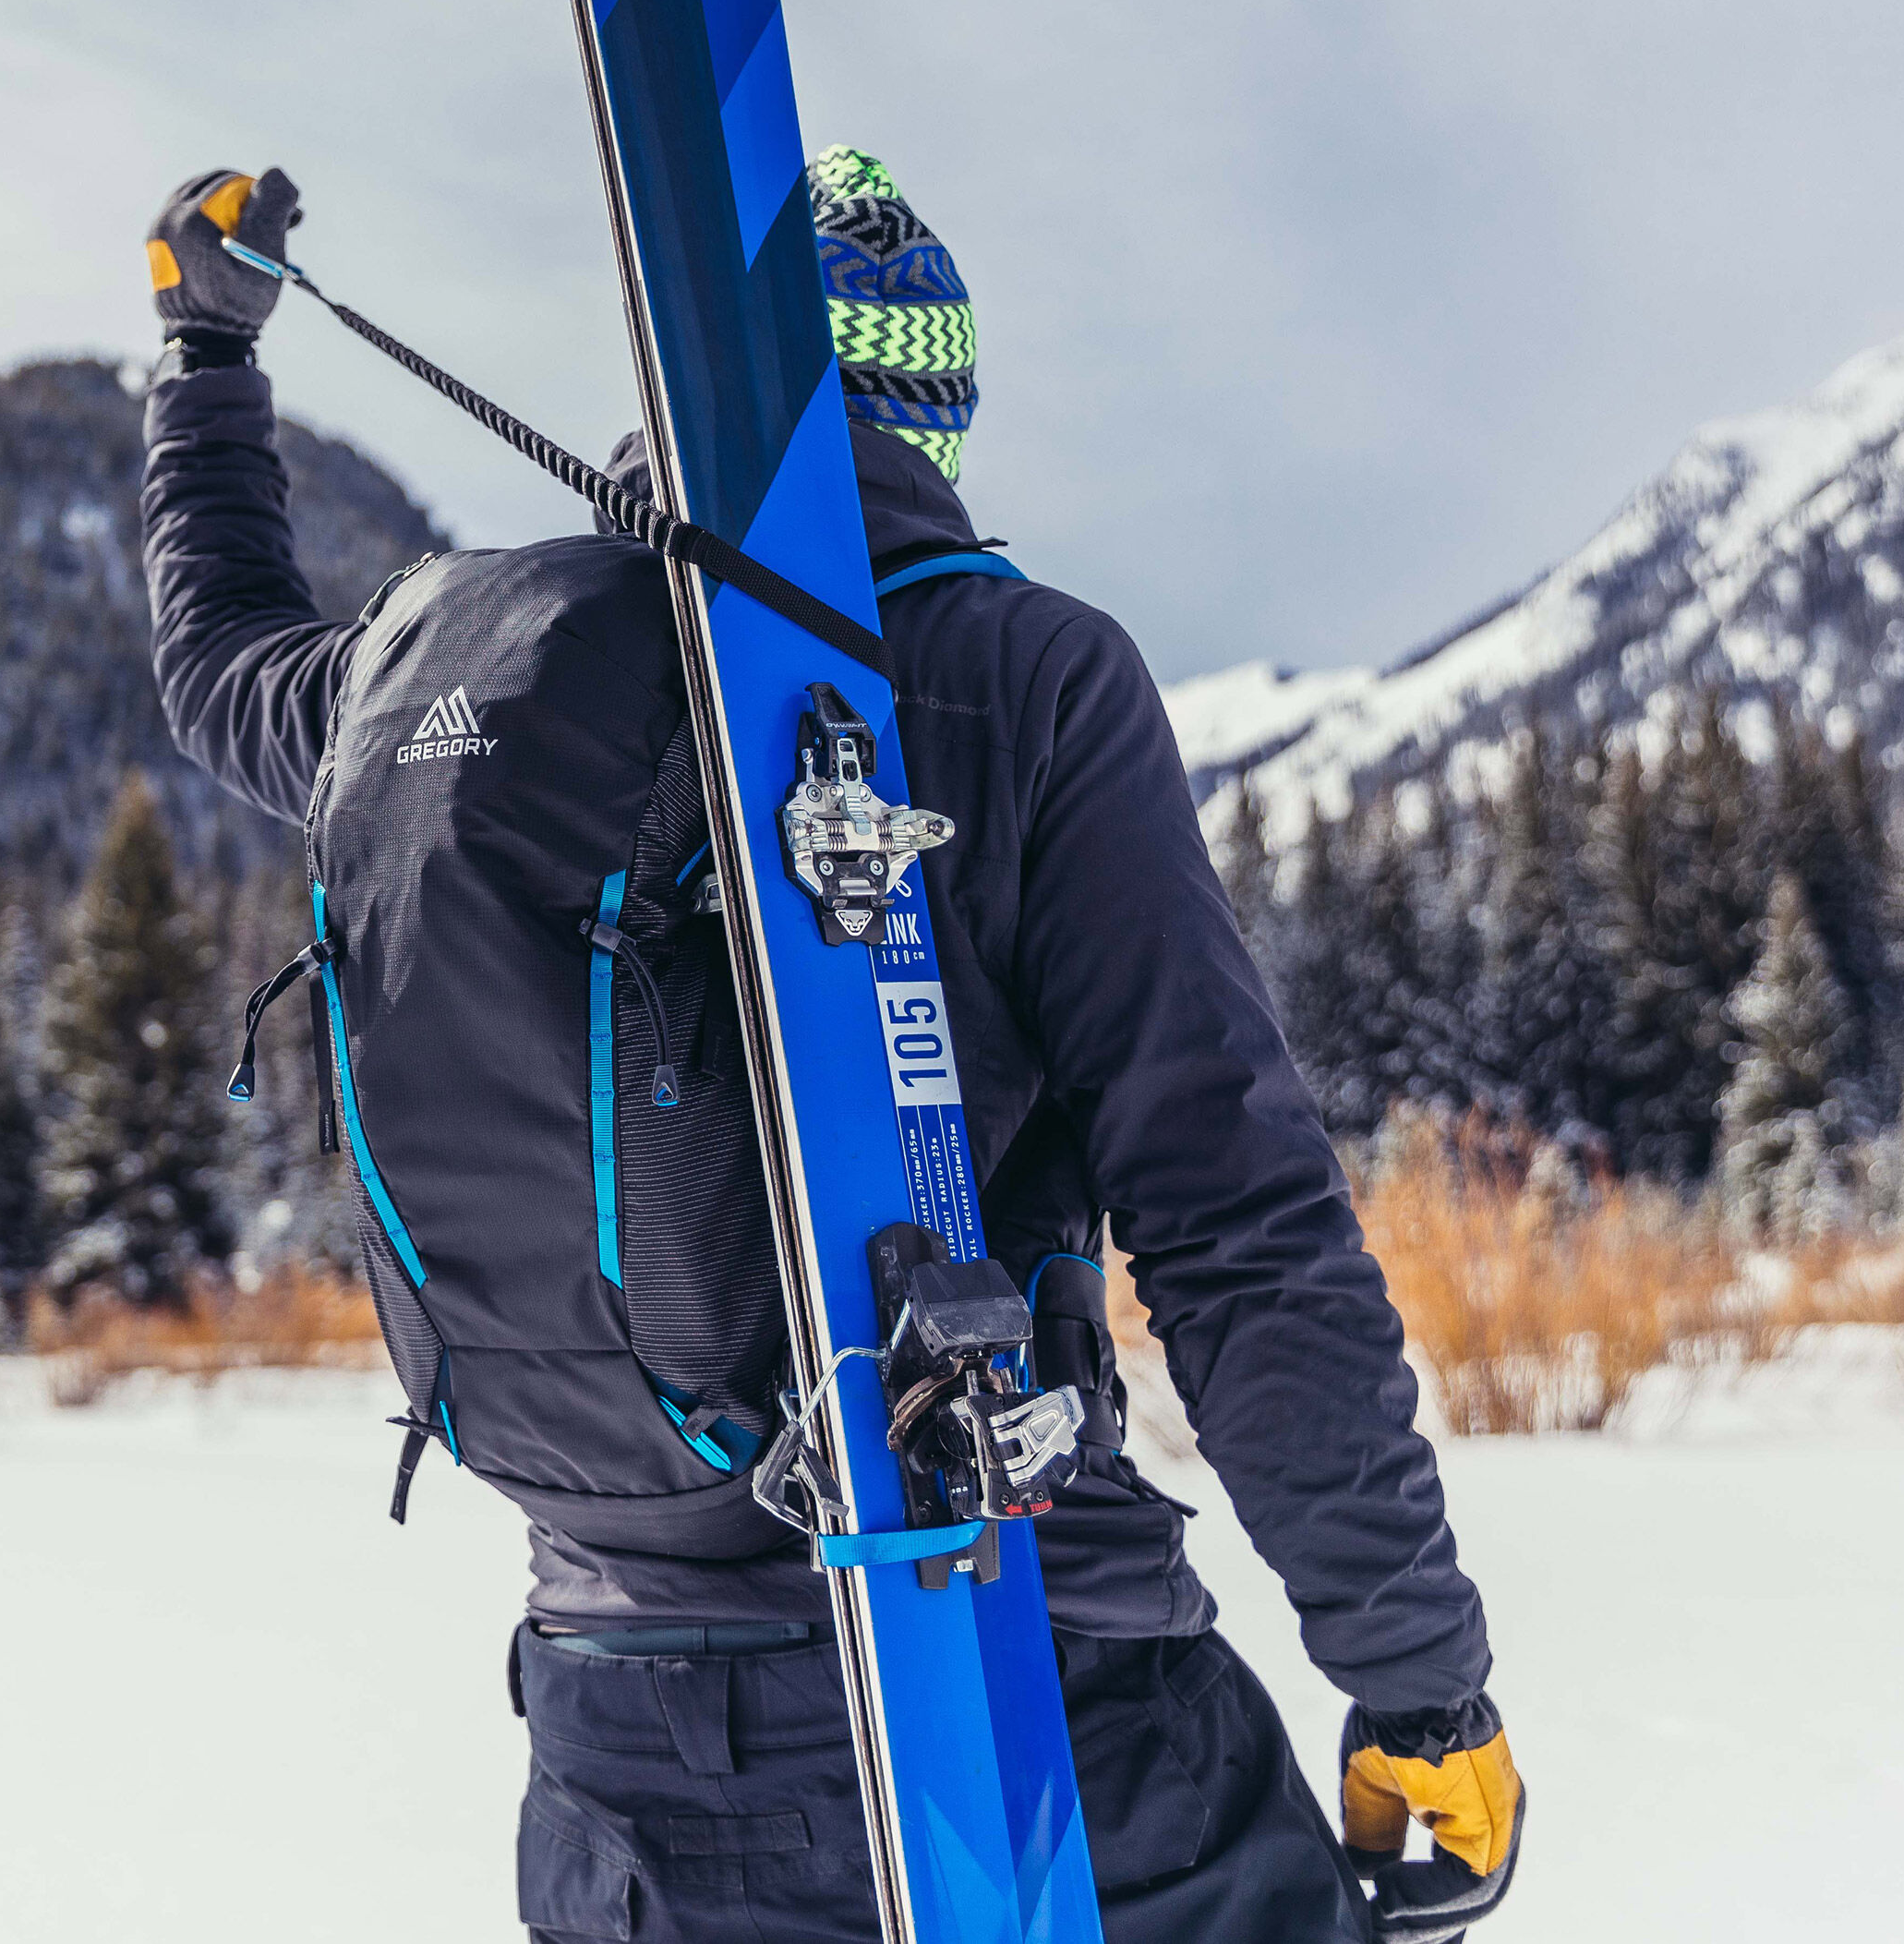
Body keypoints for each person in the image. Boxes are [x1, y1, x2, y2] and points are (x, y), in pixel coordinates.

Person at [138, 151, 1524, 1944]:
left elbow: (221, 662)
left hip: (613, 1735)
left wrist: (204, 357)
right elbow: (1237, 1228)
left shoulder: (453, 690)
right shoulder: (1016, 677)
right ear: (927, 412)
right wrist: (1418, 1688)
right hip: (1018, 1693)